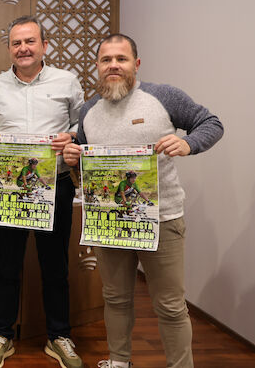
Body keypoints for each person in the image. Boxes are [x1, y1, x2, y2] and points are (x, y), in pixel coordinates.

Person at [62, 33, 223, 368]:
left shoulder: (163, 96)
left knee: (170, 305)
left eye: (121, 59)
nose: (113, 66)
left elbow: (211, 123)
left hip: (161, 220)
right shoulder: (89, 110)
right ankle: (119, 361)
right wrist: (74, 158)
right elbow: (88, 167)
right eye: (106, 60)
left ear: (136, 64)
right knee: (115, 298)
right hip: (110, 221)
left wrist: (188, 144)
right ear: (97, 66)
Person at [0, 16, 84, 368]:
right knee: (7, 266)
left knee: (55, 265)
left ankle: (59, 336)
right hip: (9, 188)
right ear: (9, 48)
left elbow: (82, 126)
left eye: (30, 41)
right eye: (16, 43)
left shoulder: (66, 81)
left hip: (56, 185)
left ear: (44, 46)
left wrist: (73, 136)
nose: (23, 48)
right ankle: (2, 335)